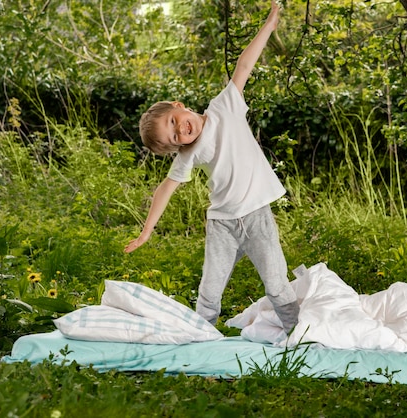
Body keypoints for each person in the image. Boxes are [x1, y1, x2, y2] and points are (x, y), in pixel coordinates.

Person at [124, 1, 299, 334]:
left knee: (276, 283)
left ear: (179, 106)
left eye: (175, 122)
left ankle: (300, 334)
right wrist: (147, 230)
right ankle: (201, 337)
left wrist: (269, 25)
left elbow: (244, 65)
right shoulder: (188, 154)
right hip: (222, 224)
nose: (181, 131)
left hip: (256, 215)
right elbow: (165, 188)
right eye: (174, 137)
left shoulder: (224, 107)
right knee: (209, 291)